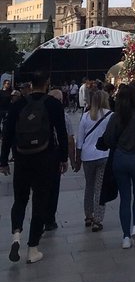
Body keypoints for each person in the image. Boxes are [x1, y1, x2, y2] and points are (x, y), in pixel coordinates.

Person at [0, 69, 68, 264]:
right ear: (46, 83)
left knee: (20, 200)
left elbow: (8, 134)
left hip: (22, 158)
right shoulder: (53, 104)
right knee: (40, 202)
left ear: (29, 84)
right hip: (45, 158)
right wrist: (63, 158)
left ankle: (16, 236)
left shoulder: (19, 104)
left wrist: (3, 160)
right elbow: (62, 133)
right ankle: (33, 249)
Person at [97, 83, 135, 249]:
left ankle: (125, 237)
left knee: (125, 198)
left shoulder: (115, 117)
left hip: (119, 159)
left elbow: (108, 139)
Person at [76, 90, 112, 231]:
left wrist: (77, 158)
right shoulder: (110, 115)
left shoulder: (85, 116)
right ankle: (98, 219)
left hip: (87, 155)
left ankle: (88, 216)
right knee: (100, 188)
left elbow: (80, 139)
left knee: (89, 187)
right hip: (104, 154)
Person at [44, 89, 77, 230]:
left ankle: (39, 217)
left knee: (40, 188)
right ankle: (50, 219)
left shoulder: (40, 112)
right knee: (53, 188)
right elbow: (69, 140)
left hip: (37, 154)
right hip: (54, 155)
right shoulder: (64, 116)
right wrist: (69, 159)